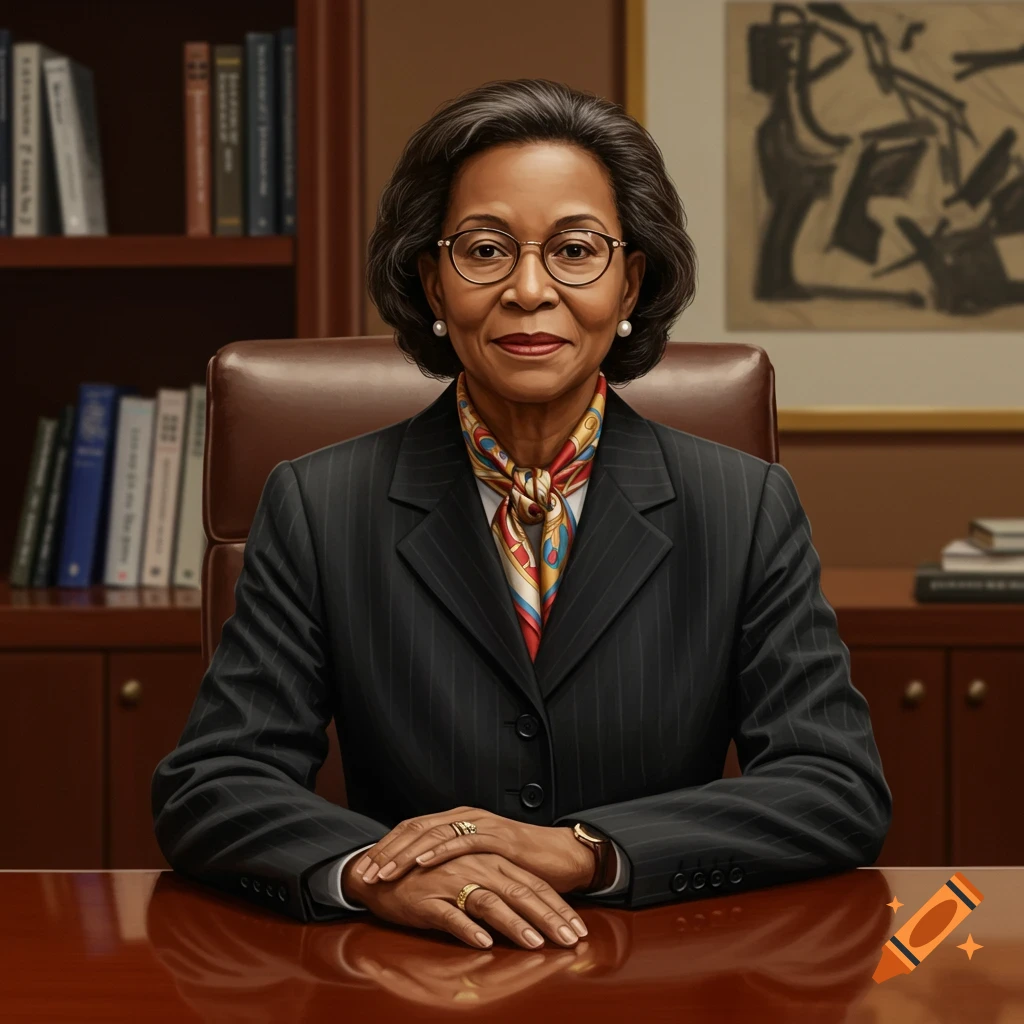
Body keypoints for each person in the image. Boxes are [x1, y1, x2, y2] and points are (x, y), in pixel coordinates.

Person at [152, 78, 891, 953]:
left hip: (656, 970)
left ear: (629, 284)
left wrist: (584, 852)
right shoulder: (319, 505)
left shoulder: (742, 505)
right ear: (433, 281)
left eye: (575, 250)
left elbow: (833, 785)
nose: (529, 290)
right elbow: (214, 781)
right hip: (409, 969)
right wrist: (373, 869)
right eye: (485, 249)